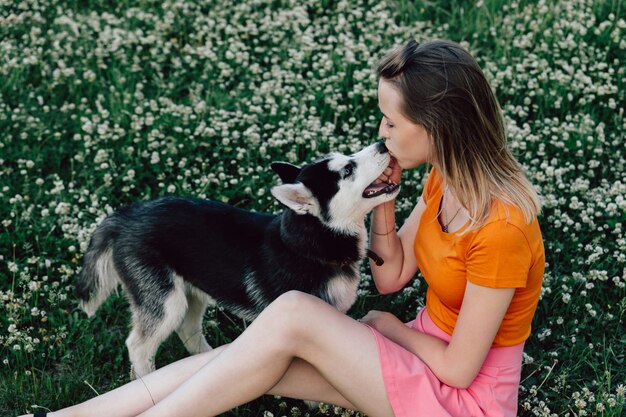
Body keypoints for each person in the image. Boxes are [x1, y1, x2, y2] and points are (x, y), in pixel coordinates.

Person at [20, 39, 544, 417]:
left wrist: (391, 329)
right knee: (243, 357)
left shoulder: (501, 228)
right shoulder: (443, 182)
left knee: (290, 313)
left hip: (461, 401)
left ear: (438, 128)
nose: (380, 134)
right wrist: (381, 199)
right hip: (422, 355)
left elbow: (458, 369)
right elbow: (392, 275)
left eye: (391, 122)